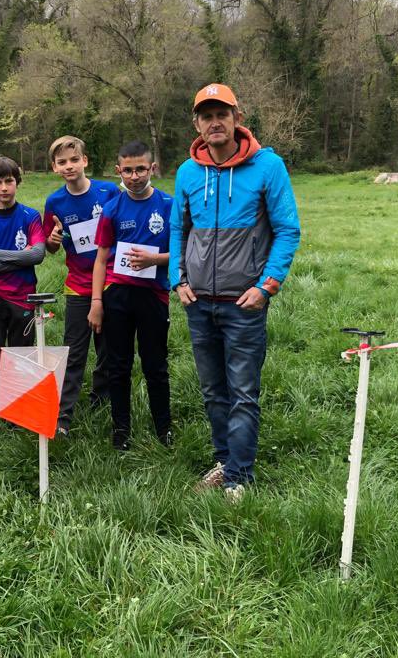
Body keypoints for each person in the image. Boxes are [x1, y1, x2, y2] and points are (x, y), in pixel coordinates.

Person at [169, 83, 300, 502]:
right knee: (212, 391)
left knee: (243, 392)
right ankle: (226, 461)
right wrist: (177, 279)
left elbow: (287, 229)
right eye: (206, 115)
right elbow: (178, 230)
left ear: (236, 117)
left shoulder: (268, 166)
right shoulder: (188, 172)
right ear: (197, 124)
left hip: (244, 304)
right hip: (198, 303)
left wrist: (267, 286)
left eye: (221, 113)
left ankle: (239, 479)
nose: (214, 122)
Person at [88, 141, 173, 451]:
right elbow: (100, 259)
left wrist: (156, 261)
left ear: (152, 168)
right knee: (118, 366)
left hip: (154, 297)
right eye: (128, 170)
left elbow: (183, 251)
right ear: (118, 171)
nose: (135, 176)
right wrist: (97, 302)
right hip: (118, 297)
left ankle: (164, 429)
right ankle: (121, 430)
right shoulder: (112, 209)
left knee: (155, 365)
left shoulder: (168, 205)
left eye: (141, 169)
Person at [43, 135, 120, 436]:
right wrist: (51, 242)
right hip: (78, 285)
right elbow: (52, 245)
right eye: (62, 162)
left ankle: (102, 399)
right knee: (74, 350)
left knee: (108, 347)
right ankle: (63, 415)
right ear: (54, 168)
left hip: (113, 281)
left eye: (74, 160)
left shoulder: (109, 191)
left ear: (85, 161)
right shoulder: (55, 202)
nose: (69, 166)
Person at [0, 155, 46, 409]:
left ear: (18, 182)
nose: (4, 188)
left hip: (23, 297)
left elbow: (37, 255)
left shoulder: (31, 216)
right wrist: (20, 259)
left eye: (9, 181)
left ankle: (19, 409)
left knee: (21, 356)